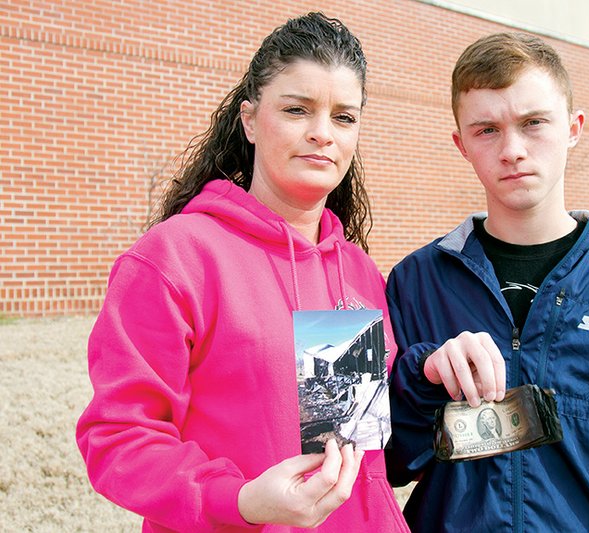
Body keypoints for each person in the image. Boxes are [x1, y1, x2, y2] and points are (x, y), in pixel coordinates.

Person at [76, 12, 409, 533]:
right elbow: (117, 438)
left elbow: (360, 444)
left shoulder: (359, 272)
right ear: (250, 120)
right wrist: (240, 501)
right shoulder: (175, 259)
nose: (322, 133)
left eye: (344, 117)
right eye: (297, 109)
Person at [385, 32, 589, 532]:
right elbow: (389, 463)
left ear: (574, 128)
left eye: (534, 122)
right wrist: (423, 376)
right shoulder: (415, 283)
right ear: (461, 144)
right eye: (486, 130)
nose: (512, 150)